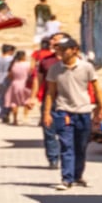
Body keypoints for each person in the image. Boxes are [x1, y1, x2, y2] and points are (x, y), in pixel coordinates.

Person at [44, 38, 102, 191]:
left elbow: (97, 89)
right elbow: (50, 93)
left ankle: (77, 175)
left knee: (81, 146)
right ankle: (66, 179)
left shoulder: (87, 67)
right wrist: (47, 113)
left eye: (64, 49)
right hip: (63, 111)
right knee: (67, 146)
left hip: (84, 111)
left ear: (75, 50)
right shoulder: (54, 69)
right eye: (58, 49)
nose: (60, 52)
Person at [32, 34, 66, 168]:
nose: (52, 41)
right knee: (49, 130)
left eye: (56, 39)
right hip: (50, 100)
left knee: (67, 132)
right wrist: (33, 97)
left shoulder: (75, 60)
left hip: (68, 101)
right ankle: (53, 158)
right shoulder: (45, 61)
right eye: (52, 39)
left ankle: (66, 157)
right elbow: (38, 79)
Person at [4, 50, 33, 125]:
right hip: (25, 83)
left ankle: (15, 120)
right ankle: (25, 117)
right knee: (27, 100)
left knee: (14, 103)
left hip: (15, 84)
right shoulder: (27, 64)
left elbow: (9, 76)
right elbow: (31, 74)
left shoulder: (13, 64)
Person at [0, 44, 16, 122]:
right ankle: (6, 112)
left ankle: (0, 112)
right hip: (8, 79)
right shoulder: (12, 59)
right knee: (8, 97)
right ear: (10, 51)